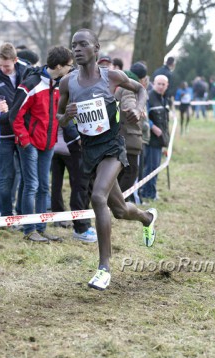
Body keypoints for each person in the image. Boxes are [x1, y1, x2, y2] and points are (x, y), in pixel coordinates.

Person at [57, 28, 158, 291]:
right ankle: (147, 218)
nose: (77, 49)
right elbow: (59, 118)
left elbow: (140, 90)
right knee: (120, 210)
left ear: (96, 48)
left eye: (83, 44)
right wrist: (67, 116)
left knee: (98, 197)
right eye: (73, 45)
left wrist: (137, 108)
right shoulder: (67, 83)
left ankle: (104, 268)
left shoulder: (111, 76)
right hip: (89, 149)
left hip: (113, 145)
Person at [10, 46, 74, 243]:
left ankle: (41, 228)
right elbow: (14, 116)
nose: (71, 69)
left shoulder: (59, 85)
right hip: (29, 145)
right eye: (69, 66)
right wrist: (25, 141)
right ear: (59, 65)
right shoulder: (31, 84)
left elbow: (56, 116)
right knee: (32, 186)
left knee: (43, 187)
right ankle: (29, 230)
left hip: (48, 145)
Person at [0, 42, 28, 218]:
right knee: (6, 176)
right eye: (0, 65)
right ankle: (6, 213)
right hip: (4, 134)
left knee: (26, 175)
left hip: (24, 131)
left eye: (7, 66)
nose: (3, 69)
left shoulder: (27, 71)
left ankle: (22, 213)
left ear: (15, 60)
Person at [116, 62, 147, 194]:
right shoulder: (130, 86)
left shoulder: (124, 82)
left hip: (123, 135)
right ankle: (119, 203)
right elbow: (129, 105)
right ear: (142, 78)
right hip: (128, 137)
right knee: (131, 171)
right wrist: (137, 111)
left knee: (121, 171)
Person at [142, 75, 170, 201]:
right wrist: (153, 127)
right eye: (159, 84)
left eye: (163, 84)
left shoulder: (164, 99)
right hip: (151, 139)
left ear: (167, 86)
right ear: (153, 84)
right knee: (150, 167)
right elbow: (144, 116)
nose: (161, 86)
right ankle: (148, 193)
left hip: (161, 140)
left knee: (156, 167)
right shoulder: (148, 97)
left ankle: (151, 191)